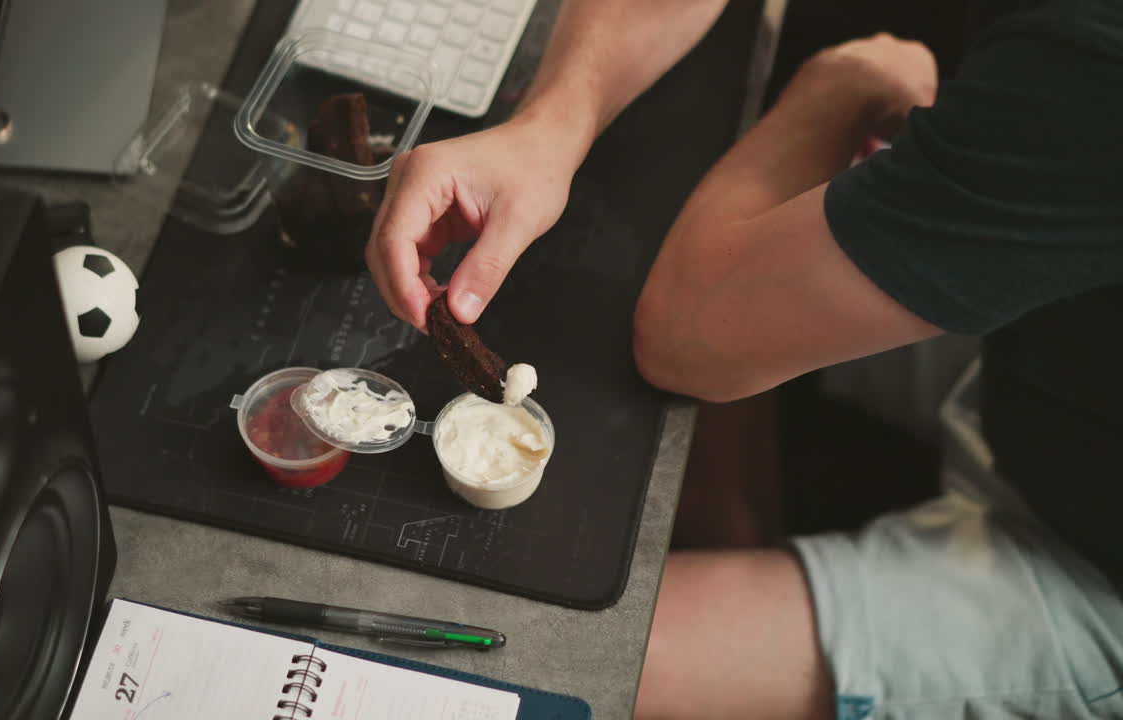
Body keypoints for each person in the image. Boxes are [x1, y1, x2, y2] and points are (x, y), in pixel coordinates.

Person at [366, 0, 1123, 717]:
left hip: (1089, 573)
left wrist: (843, 84)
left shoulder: (1094, 71)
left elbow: (686, 337)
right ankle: (733, 512)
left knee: (514, 652)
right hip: (1054, 337)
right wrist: (554, 122)